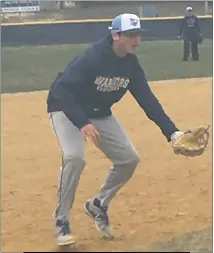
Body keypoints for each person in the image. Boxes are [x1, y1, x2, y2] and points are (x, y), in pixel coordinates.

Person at [47, 13, 184, 246]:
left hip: (98, 113)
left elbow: (147, 100)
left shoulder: (131, 65)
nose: (136, 40)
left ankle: (98, 204)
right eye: (130, 35)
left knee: (129, 159)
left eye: (138, 34)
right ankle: (61, 220)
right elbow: (61, 91)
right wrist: (82, 122)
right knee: (74, 157)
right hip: (66, 108)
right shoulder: (93, 58)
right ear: (115, 35)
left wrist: (172, 132)